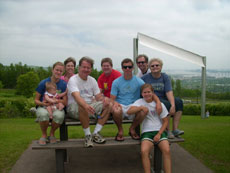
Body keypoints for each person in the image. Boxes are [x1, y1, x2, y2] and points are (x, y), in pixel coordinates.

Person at [110, 58, 162, 141]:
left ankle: (132, 129)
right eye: (125, 67)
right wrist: (115, 103)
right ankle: (120, 130)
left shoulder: (139, 81)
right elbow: (112, 99)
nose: (127, 69)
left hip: (134, 105)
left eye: (130, 67)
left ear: (133, 68)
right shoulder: (116, 82)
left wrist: (158, 102)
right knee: (116, 110)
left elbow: (150, 92)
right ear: (122, 68)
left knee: (144, 110)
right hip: (121, 106)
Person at [67, 56, 112, 147]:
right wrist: (86, 106)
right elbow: (77, 97)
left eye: (88, 68)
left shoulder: (92, 80)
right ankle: (88, 136)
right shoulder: (73, 80)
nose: (86, 69)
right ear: (79, 68)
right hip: (74, 107)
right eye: (84, 67)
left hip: (90, 106)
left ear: (91, 69)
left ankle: (96, 133)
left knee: (109, 105)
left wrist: (105, 100)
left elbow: (98, 96)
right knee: (82, 105)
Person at [127, 84, 171, 173]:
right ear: (142, 94)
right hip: (147, 131)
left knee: (166, 150)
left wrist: (159, 134)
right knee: (144, 151)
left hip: (159, 130)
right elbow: (129, 111)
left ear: (153, 93)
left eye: (149, 92)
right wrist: (141, 108)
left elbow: (165, 121)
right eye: (144, 92)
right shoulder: (140, 102)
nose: (147, 94)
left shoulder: (159, 104)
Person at [142, 58, 184, 139]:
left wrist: (173, 105)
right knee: (166, 104)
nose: (155, 67)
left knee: (178, 101)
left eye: (157, 65)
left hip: (164, 98)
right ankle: (167, 130)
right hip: (153, 99)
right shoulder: (145, 78)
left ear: (161, 67)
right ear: (150, 68)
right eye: (152, 66)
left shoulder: (165, 77)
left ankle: (175, 129)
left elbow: (169, 91)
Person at [35, 62, 67, 145]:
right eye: (57, 70)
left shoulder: (64, 85)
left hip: (56, 106)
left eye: (61, 71)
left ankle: (52, 133)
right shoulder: (43, 83)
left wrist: (55, 101)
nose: (58, 72)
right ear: (52, 70)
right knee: (43, 115)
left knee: (59, 116)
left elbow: (65, 101)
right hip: (44, 106)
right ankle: (44, 135)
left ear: (63, 72)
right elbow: (36, 100)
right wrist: (44, 103)